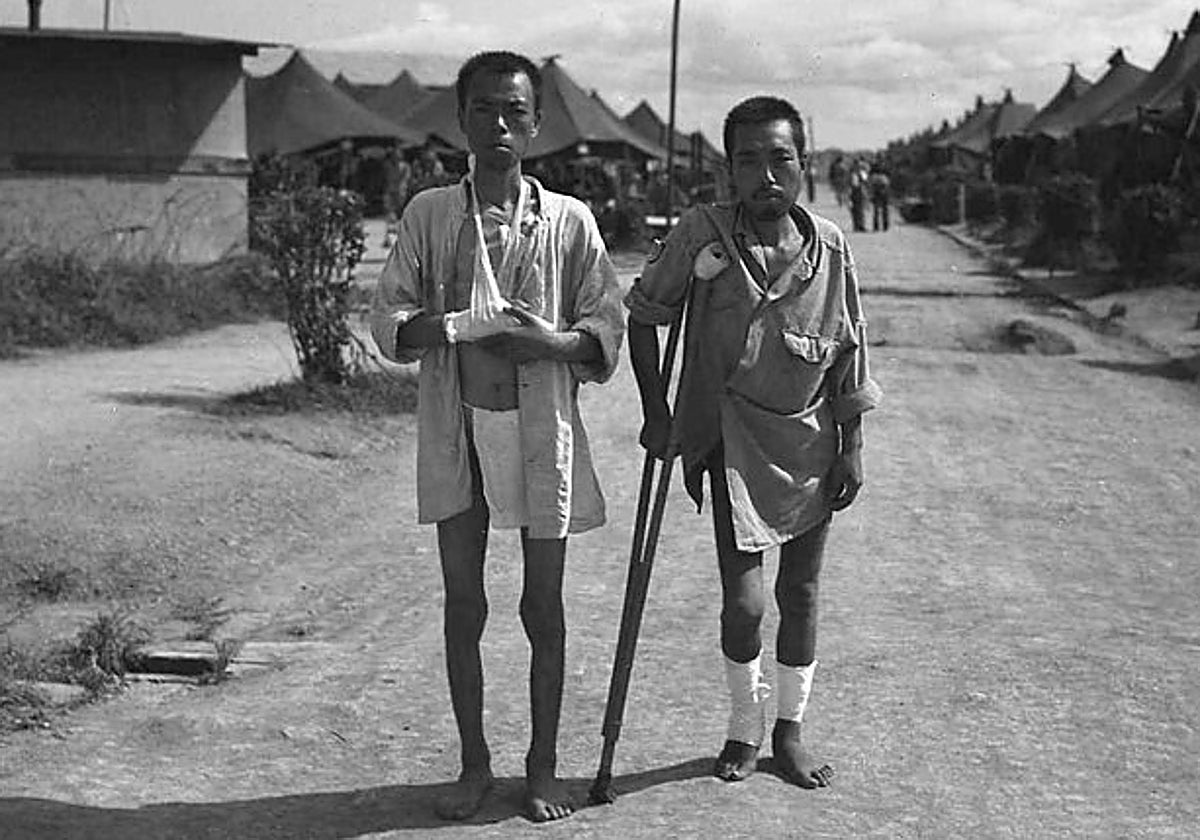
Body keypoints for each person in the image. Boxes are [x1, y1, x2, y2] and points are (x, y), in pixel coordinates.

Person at [369, 50, 625, 823]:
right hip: (458, 429)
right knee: (463, 603)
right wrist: (452, 325)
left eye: (515, 111)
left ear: (538, 123)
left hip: (539, 431)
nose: (501, 124)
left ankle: (541, 767)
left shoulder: (568, 221)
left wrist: (549, 345)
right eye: (485, 109)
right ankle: (474, 764)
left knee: (542, 607)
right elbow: (388, 323)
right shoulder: (432, 216)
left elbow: (605, 323)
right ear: (463, 120)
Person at [625, 96, 882, 790]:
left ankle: (789, 734)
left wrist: (852, 442)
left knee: (800, 592)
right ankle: (745, 725)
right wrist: (658, 411)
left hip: (809, 440)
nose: (765, 175)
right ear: (728, 170)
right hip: (731, 440)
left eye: (780, 159)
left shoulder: (830, 247)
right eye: (748, 161)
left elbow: (849, 349)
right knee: (745, 604)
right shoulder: (701, 233)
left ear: (804, 163)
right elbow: (644, 314)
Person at [381, 144, 413, 245]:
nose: (396, 156)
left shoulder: (405, 166)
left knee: (400, 215)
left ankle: (401, 238)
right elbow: (385, 178)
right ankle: (387, 238)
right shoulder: (387, 165)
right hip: (390, 191)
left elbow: (406, 179)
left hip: (400, 192)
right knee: (389, 215)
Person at [868, 159, 891, 232]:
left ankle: (878, 226)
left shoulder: (875, 169)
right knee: (882, 210)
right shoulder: (886, 167)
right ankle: (884, 226)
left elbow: (870, 179)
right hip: (882, 190)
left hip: (878, 190)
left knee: (878, 210)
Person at [847, 158, 868, 232]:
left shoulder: (860, 173)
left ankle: (860, 225)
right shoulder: (853, 174)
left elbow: (865, 182)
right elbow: (851, 185)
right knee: (855, 210)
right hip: (855, 192)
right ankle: (857, 225)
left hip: (860, 192)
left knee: (860, 210)